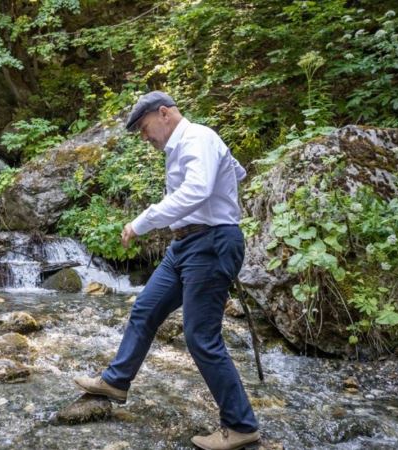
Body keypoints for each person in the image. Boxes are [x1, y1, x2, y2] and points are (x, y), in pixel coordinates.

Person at [73, 91, 260, 450]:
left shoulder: (199, 137)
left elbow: (198, 190)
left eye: (145, 128)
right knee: (145, 308)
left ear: (164, 114)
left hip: (211, 242)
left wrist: (142, 222)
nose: (145, 137)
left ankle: (241, 425)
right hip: (186, 246)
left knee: (200, 337)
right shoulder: (182, 148)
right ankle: (117, 381)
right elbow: (236, 170)